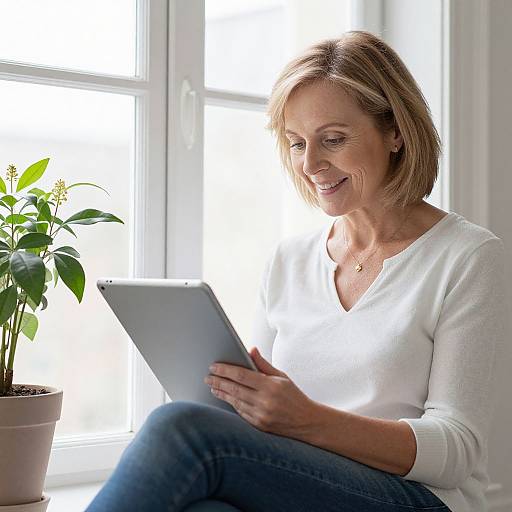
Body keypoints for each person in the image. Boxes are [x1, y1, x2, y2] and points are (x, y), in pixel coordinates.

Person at [85, 30, 506, 512]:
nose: (311, 164)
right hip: (304, 486)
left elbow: (455, 451)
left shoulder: (468, 257)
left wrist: (305, 420)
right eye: (296, 143)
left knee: (178, 429)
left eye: (333, 139)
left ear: (396, 133)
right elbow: (267, 417)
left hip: (420, 499)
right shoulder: (289, 261)